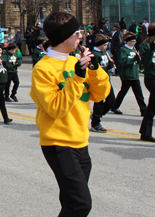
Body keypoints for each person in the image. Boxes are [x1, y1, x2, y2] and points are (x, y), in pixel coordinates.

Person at [30, 12, 110, 217]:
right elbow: (56, 108)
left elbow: (100, 95)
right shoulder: (43, 68)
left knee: (70, 203)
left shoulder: (76, 61)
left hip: (81, 141)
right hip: (58, 143)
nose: (81, 36)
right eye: (76, 32)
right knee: (80, 204)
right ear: (63, 36)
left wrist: (94, 69)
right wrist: (77, 78)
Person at [111, 33, 147, 116]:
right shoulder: (123, 50)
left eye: (135, 41)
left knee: (139, 94)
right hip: (127, 75)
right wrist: (133, 59)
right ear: (127, 41)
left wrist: (139, 60)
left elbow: (136, 61)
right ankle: (115, 106)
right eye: (132, 41)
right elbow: (123, 62)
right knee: (123, 92)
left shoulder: (134, 50)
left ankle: (143, 109)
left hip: (134, 75)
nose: (134, 43)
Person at [90, 34, 116, 132]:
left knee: (111, 100)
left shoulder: (104, 52)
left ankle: (97, 115)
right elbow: (94, 69)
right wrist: (105, 67)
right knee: (99, 102)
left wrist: (111, 65)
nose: (106, 47)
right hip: (98, 81)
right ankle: (95, 124)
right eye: (104, 45)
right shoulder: (95, 54)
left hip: (106, 80)